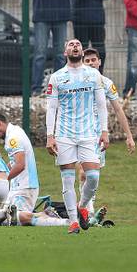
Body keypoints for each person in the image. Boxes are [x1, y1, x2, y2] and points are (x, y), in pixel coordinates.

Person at [45, 38, 109, 234]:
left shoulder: (93, 75)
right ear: (65, 52)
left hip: (89, 133)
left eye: (78, 44)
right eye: (71, 44)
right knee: (67, 179)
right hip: (64, 135)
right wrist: (50, 135)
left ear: (81, 51)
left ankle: (82, 205)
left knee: (93, 177)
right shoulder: (56, 78)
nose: (75, 46)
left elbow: (101, 104)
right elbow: (51, 107)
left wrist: (104, 131)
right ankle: (73, 221)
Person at [82, 47, 135, 225]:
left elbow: (118, 109)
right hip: (79, 133)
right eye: (87, 60)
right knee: (82, 173)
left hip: (98, 136)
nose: (90, 63)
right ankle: (87, 212)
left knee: (92, 175)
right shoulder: (76, 81)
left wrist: (129, 136)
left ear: (99, 62)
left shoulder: (106, 83)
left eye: (93, 60)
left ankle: (87, 211)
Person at [31, 0, 73, 94]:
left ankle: (59, 88)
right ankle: (36, 89)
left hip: (61, 16)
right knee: (40, 53)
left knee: (60, 55)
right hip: (42, 16)